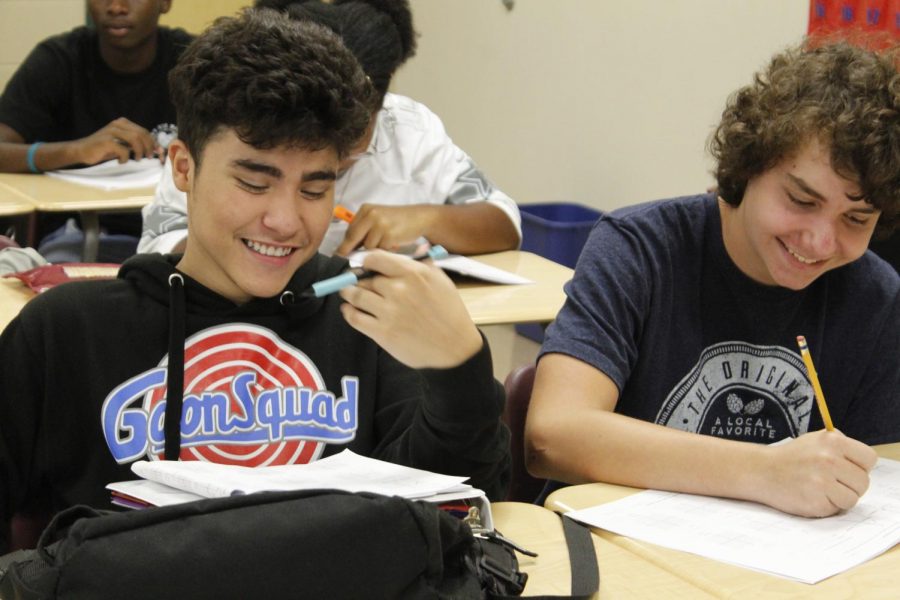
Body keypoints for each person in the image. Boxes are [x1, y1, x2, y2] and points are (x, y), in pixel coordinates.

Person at [0, 8, 510, 554]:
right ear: (183, 168)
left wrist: (461, 368)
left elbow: (453, 509)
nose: (287, 221)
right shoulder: (66, 330)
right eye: (253, 181)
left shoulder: (366, 317)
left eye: (315, 189)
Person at [525, 41, 900, 518]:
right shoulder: (639, 249)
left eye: (857, 218)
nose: (822, 243)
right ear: (746, 170)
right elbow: (552, 437)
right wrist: (764, 471)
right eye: (802, 201)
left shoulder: (875, 297)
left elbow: (882, 481)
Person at [139, 0, 521, 257]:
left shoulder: (409, 130)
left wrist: (426, 219)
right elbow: (159, 246)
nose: (330, 158)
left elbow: (503, 224)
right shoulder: (230, 125)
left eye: (317, 186)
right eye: (258, 182)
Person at [0, 0, 192, 245]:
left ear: (164, 3)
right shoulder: (58, 59)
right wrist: (76, 151)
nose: (116, 7)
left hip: (173, 234)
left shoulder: (195, 62)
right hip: (74, 232)